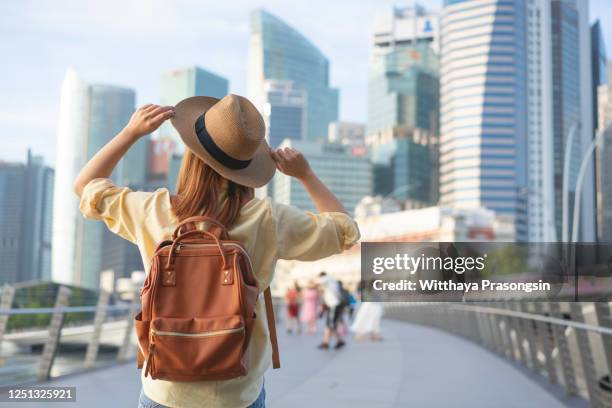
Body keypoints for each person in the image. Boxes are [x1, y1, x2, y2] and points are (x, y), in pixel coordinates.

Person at [72, 95, 360, 408]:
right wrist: (305, 174)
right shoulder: (267, 218)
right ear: (247, 166)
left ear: (191, 155)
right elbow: (345, 230)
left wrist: (131, 133)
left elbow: (85, 185)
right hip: (238, 391)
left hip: (165, 390)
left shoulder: (154, 209)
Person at [317, 272, 346, 350]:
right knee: (329, 324)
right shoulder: (332, 281)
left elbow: (319, 282)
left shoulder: (327, 279)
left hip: (334, 305)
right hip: (333, 306)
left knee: (330, 324)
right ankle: (328, 342)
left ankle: (329, 342)